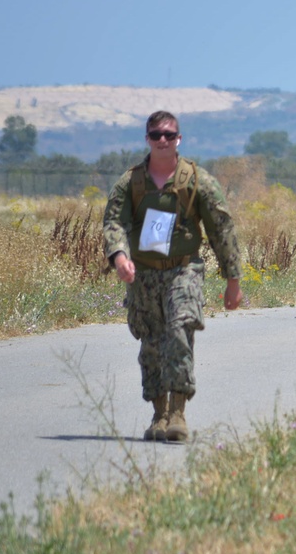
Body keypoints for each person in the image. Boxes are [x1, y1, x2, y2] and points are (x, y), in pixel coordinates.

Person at [103, 111, 243, 443]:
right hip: (144, 275)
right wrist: (120, 256)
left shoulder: (198, 180)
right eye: (156, 135)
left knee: (180, 329)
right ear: (147, 139)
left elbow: (221, 227)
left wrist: (232, 279)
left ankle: (178, 413)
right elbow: (114, 223)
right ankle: (159, 413)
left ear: (179, 138)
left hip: (184, 270)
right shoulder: (131, 182)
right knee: (152, 343)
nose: (162, 140)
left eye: (169, 134)